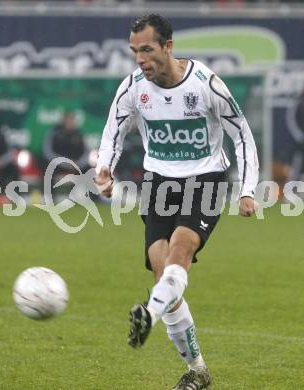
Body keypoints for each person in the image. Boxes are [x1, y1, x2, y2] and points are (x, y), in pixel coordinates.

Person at [95, 14, 258, 390]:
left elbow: (243, 136)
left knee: (179, 253)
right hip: (158, 182)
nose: (140, 59)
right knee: (161, 273)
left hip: (205, 179)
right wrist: (104, 168)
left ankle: (148, 315)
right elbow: (112, 133)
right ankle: (198, 371)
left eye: (147, 49)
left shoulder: (206, 85)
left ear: (168, 46)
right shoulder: (134, 87)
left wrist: (248, 189)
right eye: (135, 51)